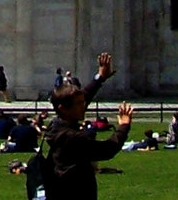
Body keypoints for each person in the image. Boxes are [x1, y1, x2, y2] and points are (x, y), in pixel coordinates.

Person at [43, 53, 133, 200]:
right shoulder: (71, 137)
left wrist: (100, 77)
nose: (83, 106)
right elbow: (107, 149)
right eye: (79, 105)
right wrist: (124, 126)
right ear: (63, 108)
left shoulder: (58, 123)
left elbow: (83, 96)